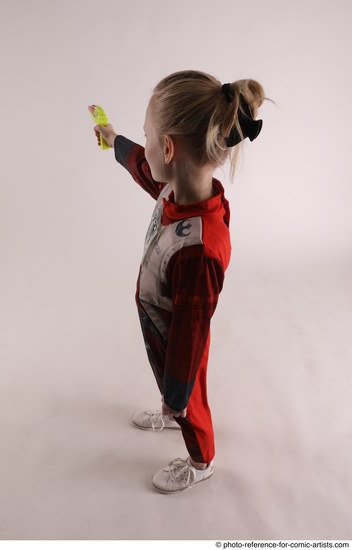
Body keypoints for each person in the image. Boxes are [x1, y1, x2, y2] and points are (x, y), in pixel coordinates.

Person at [91, 70, 272, 494]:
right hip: (162, 323)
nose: (146, 145)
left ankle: (200, 458)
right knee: (172, 383)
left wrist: (177, 394)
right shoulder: (176, 187)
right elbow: (143, 167)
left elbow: (191, 333)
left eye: (148, 136)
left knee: (191, 401)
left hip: (179, 338)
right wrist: (114, 139)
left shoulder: (199, 250)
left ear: (169, 148)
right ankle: (171, 403)